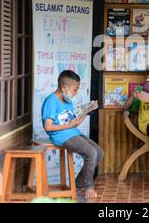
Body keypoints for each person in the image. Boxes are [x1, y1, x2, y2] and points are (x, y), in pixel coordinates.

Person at [41, 70, 103, 200]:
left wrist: (88, 111)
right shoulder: (51, 101)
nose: (76, 93)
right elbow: (48, 126)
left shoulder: (67, 100)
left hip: (73, 133)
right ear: (64, 88)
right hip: (61, 136)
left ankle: (76, 185)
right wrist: (69, 126)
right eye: (75, 90)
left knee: (99, 153)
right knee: (91, 153)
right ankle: (88, 187)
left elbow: (74, 123)